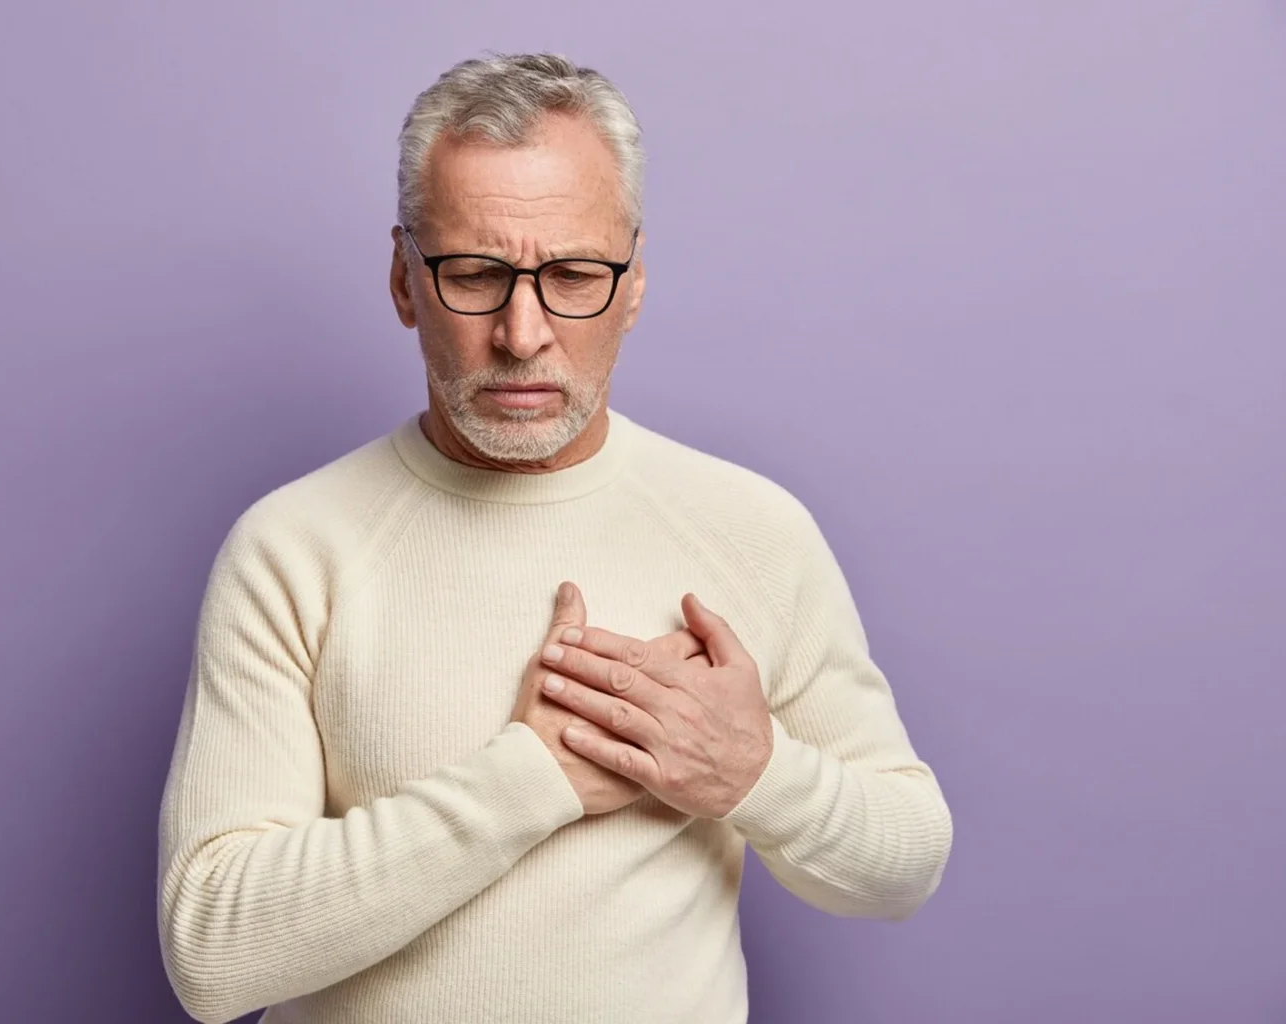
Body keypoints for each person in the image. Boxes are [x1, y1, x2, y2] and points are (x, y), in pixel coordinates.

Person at [156, 52, 953, 1024]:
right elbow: (211, 955)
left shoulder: (755, 529)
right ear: (405, 280)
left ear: (635, 284)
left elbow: (904, 864)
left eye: (574, 273)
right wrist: (529, 777)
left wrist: (753, 770)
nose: (524, 331)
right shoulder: (292, 549)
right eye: (475, 274)